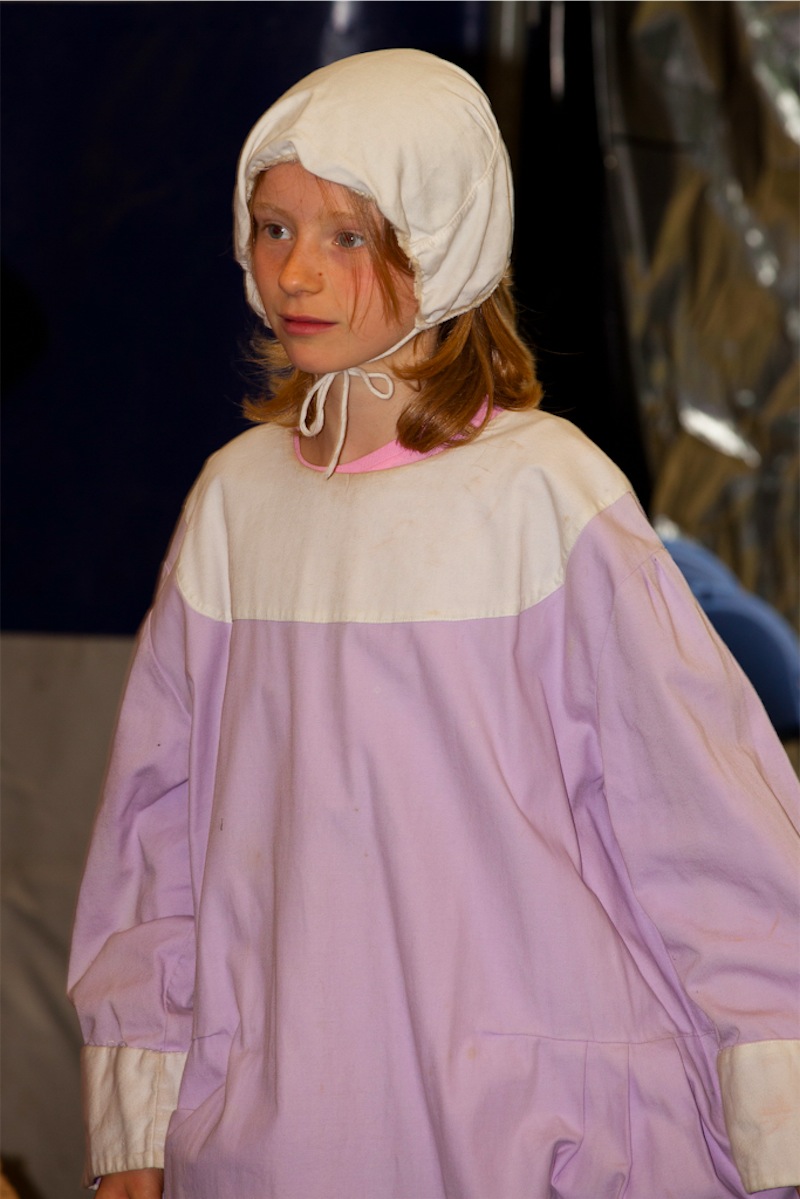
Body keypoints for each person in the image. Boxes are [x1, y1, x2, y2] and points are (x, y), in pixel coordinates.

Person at [68, 49, 800, 1199]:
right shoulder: (233, 506)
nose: (295, 269)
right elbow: (154, 840)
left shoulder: (546, 493)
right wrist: (137, 1120)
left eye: (348, 236)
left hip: (534, 1130)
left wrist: (774, 1112)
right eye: (273, 227)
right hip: (282, 1131)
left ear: (444, 237)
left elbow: (698, 822)